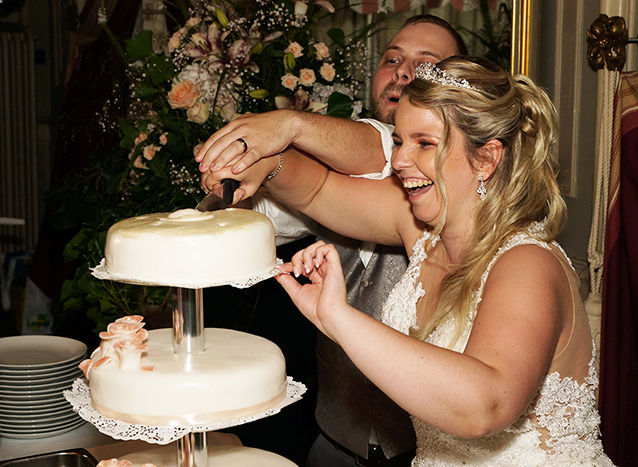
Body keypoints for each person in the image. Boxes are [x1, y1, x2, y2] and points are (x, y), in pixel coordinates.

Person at [201, 56, 616, 466]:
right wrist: (266, 161)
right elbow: (317, 189)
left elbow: (485, 406)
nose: (398, 160)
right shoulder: (422, 229)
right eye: (399, 140)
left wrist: (339, 319)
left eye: (425, 143)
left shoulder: (528, 263)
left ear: (486, 158)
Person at [197, 15, 467, 467]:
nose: (403, 72)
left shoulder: (400, 165)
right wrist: (247, 172)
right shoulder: (351, 164)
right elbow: (294, 197)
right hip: (335, 439)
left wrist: (289, 126)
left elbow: (375, 147)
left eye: (427, 63)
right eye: (392, 59)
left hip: (429, 450)